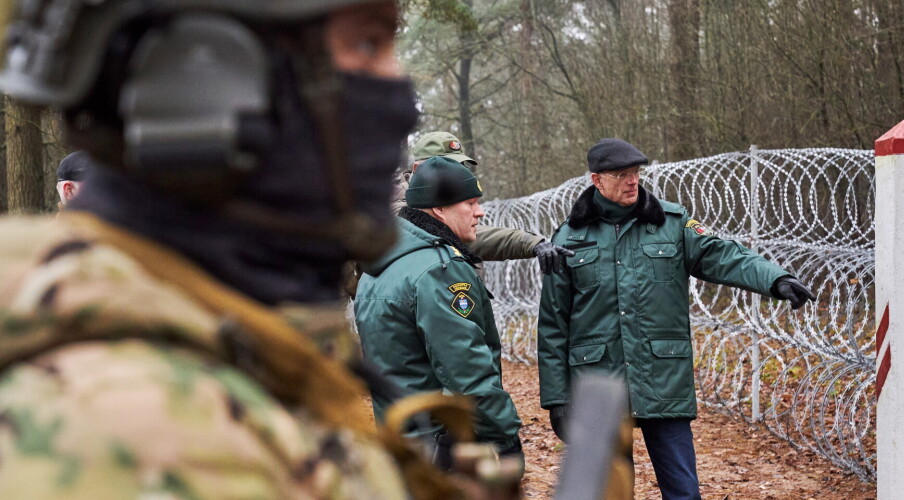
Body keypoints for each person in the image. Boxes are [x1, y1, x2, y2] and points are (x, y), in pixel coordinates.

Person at [0, 1, 457, 498]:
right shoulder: (138, 435)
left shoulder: (229, 350)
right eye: (367, 45)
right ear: (199, 79)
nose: (399, 91)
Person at [537, 138, 816, 499]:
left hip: (662, 378)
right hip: (598, 385)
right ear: (596, 180)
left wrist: (775, 279)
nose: (632, 181)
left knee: (683, 492)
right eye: (621, 174)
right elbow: (553, 325)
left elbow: (724, 255)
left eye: (635, 173)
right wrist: (558, 399)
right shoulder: (568, 239)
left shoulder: (672, 223)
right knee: (605, 493)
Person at [354, 156, 523, 462]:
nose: (480, 212)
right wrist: (504, 436)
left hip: (402, 441)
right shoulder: (440, 269)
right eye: (469, 203)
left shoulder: (378, 267)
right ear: (439, 209)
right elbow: (466, 372)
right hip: (444, 449)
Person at [343, 130, 574, 296]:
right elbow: (465, 235)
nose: (455, 174)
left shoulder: (445, 200)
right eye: (446, 166)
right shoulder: (395, 209)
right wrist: (530, 242)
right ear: (418, 169)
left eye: (459, 166)